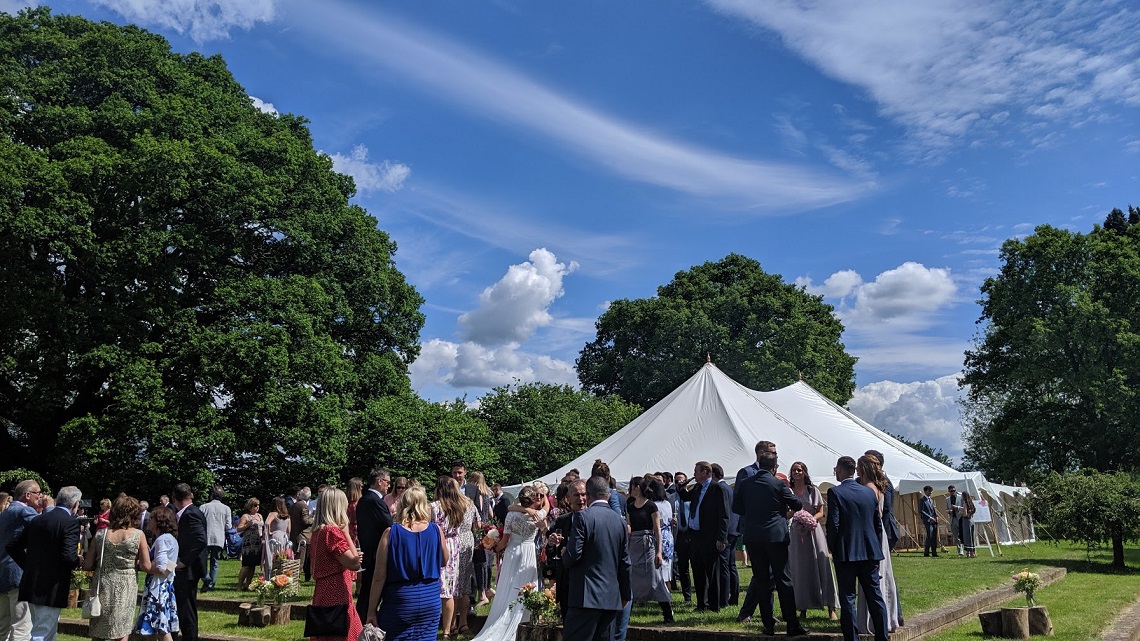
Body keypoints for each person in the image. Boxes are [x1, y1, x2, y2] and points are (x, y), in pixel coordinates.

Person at [733, 450, 808, 636]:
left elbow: (736, 507)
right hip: (776, 536)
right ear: (774, 467)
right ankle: (791, 623)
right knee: (784, 579)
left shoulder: (745, 483)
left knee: (761, 580)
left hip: (753, 536)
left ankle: (768, 624)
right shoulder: (777, 483)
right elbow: (797, 505)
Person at [366, 485, 447, 641]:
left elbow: (379, 576)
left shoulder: (391, 533)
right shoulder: (436, 530)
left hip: (400, 600)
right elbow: (443, 560)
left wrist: (371, 611)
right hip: (430, 599)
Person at [6, 486, 82, 641]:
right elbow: (68, 557)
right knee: (41, 633)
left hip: (32, 583)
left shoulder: (38, 519)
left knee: (48, 631)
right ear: (75, 504)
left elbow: (13, 546)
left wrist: (29, 567)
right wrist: (78, 561)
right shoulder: (70, 522)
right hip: (51, 586)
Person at [562, 475, 632, 641]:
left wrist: (564, 553)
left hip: (585, 596)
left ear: (589, 494)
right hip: (611, 597)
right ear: (608, 494)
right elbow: (625, 562)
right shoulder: (620, 521)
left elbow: (573, 556)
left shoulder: (582, 517)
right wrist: (625, 594)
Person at [468, 486, 543, 641]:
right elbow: (546, 508)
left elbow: (505, 540)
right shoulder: (538, 515)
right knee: (527, 585)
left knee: (510, 584)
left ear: (520, 499)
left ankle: (506, 616)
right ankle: (527, 619)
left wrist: (493, 547)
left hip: (513, 553)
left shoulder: (511, 515)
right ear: (534, 499)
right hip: (528, 553)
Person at [826, 457, 888, 641]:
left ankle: (852, 638)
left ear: (840, 470)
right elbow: (877, 524)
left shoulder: (835, 492)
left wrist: (833, 547)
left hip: (846, 551)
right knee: (875, 597)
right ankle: (882, 637)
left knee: (848, 598)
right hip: (869, 551)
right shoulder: (869, 492)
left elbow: (833, 524)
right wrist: (876, 548)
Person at [85, 495, 151, 641]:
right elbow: (146, 566)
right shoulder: (138, 535)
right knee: (121, 630)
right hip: (125, 586)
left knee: (98, 628)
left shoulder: (101, 534)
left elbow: (88, 565)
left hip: (102, 583)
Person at [310, 488, 364, 641]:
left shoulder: (318, 531)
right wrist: (346, 533)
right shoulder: (332, 531)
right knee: (342, 634)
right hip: (336, 591)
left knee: (325, 633)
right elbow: (354, 563)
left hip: (322, 591)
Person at [787, 461, 839, 621]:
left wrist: (809, 520)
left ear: (804, 472)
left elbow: (821, 512)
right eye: (794, 470)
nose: (797, 472)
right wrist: (795, 517)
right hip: (797, 533)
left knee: (822, 566)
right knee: (800, 569)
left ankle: (831, 607)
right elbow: (787, 512)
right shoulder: (788, 491)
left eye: (800, 470)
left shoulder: (812, 490)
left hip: (813, 531)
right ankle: (802, 607)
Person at [676, 461, 729, 613]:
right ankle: (701, 603)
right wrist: (681, 485)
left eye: (696, 472)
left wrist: (721, 537)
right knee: (697, 570)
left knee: (712, 572)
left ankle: (714, 605)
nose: (694, 474)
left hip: (710, 535)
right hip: (696, 535)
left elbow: (724, 515)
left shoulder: (717, 488)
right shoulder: (698, 487)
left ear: (705, 472)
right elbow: (686, 497)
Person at [855, 456, 900, 635]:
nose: (857, 471)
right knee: (883, 574)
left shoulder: (869, 489)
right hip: (877, 531)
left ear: (864, 469)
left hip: (871, 532)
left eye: (859, 467)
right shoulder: (878, 486)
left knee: (873, 576)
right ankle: (886, 618)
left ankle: (873, 621)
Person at [431, 477, 476, 638]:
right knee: (452, 588)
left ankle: (440, 625)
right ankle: (449, 628)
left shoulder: (434, 507)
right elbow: (474, 524)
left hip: (438, 545)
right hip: (455, 546)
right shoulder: (461, 506)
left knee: (438, 586)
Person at [625, 477, 672, 623]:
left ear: (637, 487)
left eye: (632, 487)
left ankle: (667, 612)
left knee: (655, 577)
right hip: (634, 544)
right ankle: (627, 614)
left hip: (648, 544)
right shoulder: (630, 507)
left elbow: (657, 530)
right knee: (632, 579)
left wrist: (659, 551)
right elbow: (629, 526)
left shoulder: (651, 506)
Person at [0, 479, 43, 641]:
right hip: (18, 575)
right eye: (38, 493)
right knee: (21, 627)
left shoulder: (5, 512)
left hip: (2, 575)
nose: (41, 496)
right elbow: (45, 526)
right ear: (27, 495)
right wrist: (50, 508)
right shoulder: (24, 512)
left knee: (2, 627)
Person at [135, 505, 179, 641]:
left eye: (152, 518)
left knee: (160, 627)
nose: (149, 520)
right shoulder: (170, 538)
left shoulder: (163, 540)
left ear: (159, 521)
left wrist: (142, 566)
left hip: (158, 589)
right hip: (164, 586)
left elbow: (161, 567)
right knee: (155, 627)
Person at [545, 481, 587, 618]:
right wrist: (551, 544)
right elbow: (551, 552)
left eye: (583, 494)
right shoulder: (562, 521)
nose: (581, 499)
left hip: (587, 582)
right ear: (568, 498)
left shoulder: (594, 519)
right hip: (566, 582)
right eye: (576, 495)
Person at [171, 483, 207, 641]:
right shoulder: (191, 512)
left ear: (175, 499)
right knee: (184, 610)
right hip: (188, 570)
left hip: (189, 570)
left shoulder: (190, 514)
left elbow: (200, 540)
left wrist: (184, 562)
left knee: (187, 612)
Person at [356, 469, 393, 621]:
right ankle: (363, 622)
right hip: (376, 554)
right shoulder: (374, 501)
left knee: (367, 593)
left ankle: (361, 622)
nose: (389, 486)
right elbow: (389, 525)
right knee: (371, 593)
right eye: (387, 482)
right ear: (379, 481)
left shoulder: (365, 499)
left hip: (369, 551)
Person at [711, 463, 740, 608]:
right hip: (733, 529)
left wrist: (721, 535)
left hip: (726, 531)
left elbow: (724, 513)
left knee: (724, 566)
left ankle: (723, 599)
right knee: (731, 565)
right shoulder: (729, 488)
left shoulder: (720, 488)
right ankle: (734, 597)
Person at [200, 486, 231, 593]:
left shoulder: (203, 507)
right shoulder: (226, 509)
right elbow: (228, 526)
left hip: (205, 537)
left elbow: (199, 522)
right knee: (215, 562)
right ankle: (211, 584)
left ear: (211, 495)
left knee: (202, 561)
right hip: (219, 538)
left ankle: (206, 579)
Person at [671, 471, 692, 604]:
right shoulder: (672, 497)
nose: (680, 482)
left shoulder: (691, 496)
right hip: (679, 534)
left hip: (691, 533)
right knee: (682, 567)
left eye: (682, 480)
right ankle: (687, 597)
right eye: (677, 480)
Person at [235, 498, 265, 591]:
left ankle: (248, 584)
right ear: (250, 507)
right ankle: (239, 585)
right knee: (246, 565)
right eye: (255, 506)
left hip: (258, 543)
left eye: (258, 505)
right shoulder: (246, 516)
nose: (257, 507)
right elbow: (238, 529)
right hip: (248, 544)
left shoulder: (260, 516)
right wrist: (247, 525)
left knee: (253, 565)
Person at [289, 487, 315, 581]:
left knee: (296, 558)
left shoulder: (294, 504)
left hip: (295, 534)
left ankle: (293, 578)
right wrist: (313, 519)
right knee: (300, 560)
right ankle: (294, 580)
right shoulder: (303, 505)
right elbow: (305, 520)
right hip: (303, 536)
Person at [919, 487, 938, 558]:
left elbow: (933, 509)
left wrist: (936, 516)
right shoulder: (922, 500)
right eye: (929, 491)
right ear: (925, 491)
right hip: (928, 521)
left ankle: (934, 552)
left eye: (931, 491)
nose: (930, 492)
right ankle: (926, 552)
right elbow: (921, 511)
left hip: (934, 521)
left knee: (934, 536)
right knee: (929, 536)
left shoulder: (931, 500)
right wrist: (930, 517)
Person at [945, 486, 963, 556]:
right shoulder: (947, 499)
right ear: (949, 491)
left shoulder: (960, 497)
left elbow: (964, 508)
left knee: (963, 535)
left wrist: (957, 508)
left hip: (961, 518)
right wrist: (948, 511)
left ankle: (967, 549)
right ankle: (960, 551)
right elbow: (946, 509)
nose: (953, 492)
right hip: (953, 518)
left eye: (954, 491)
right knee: (956, 536)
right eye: (951, 491)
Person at [958, 492, 976, 558]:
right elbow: (973, 511)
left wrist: (961, 513)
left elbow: (965, 514)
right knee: (971, 536)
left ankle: (970, 553)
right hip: (971, 520)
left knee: (967, 537)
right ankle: (970, 552)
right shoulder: (971, 504)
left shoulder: (965, 503)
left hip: (966, 521)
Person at [346, 479, 363, 547]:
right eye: (361, 486)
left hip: (347, 530)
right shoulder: (359, 503)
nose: (362, 488)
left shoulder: (345, 502)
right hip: (357, 531)